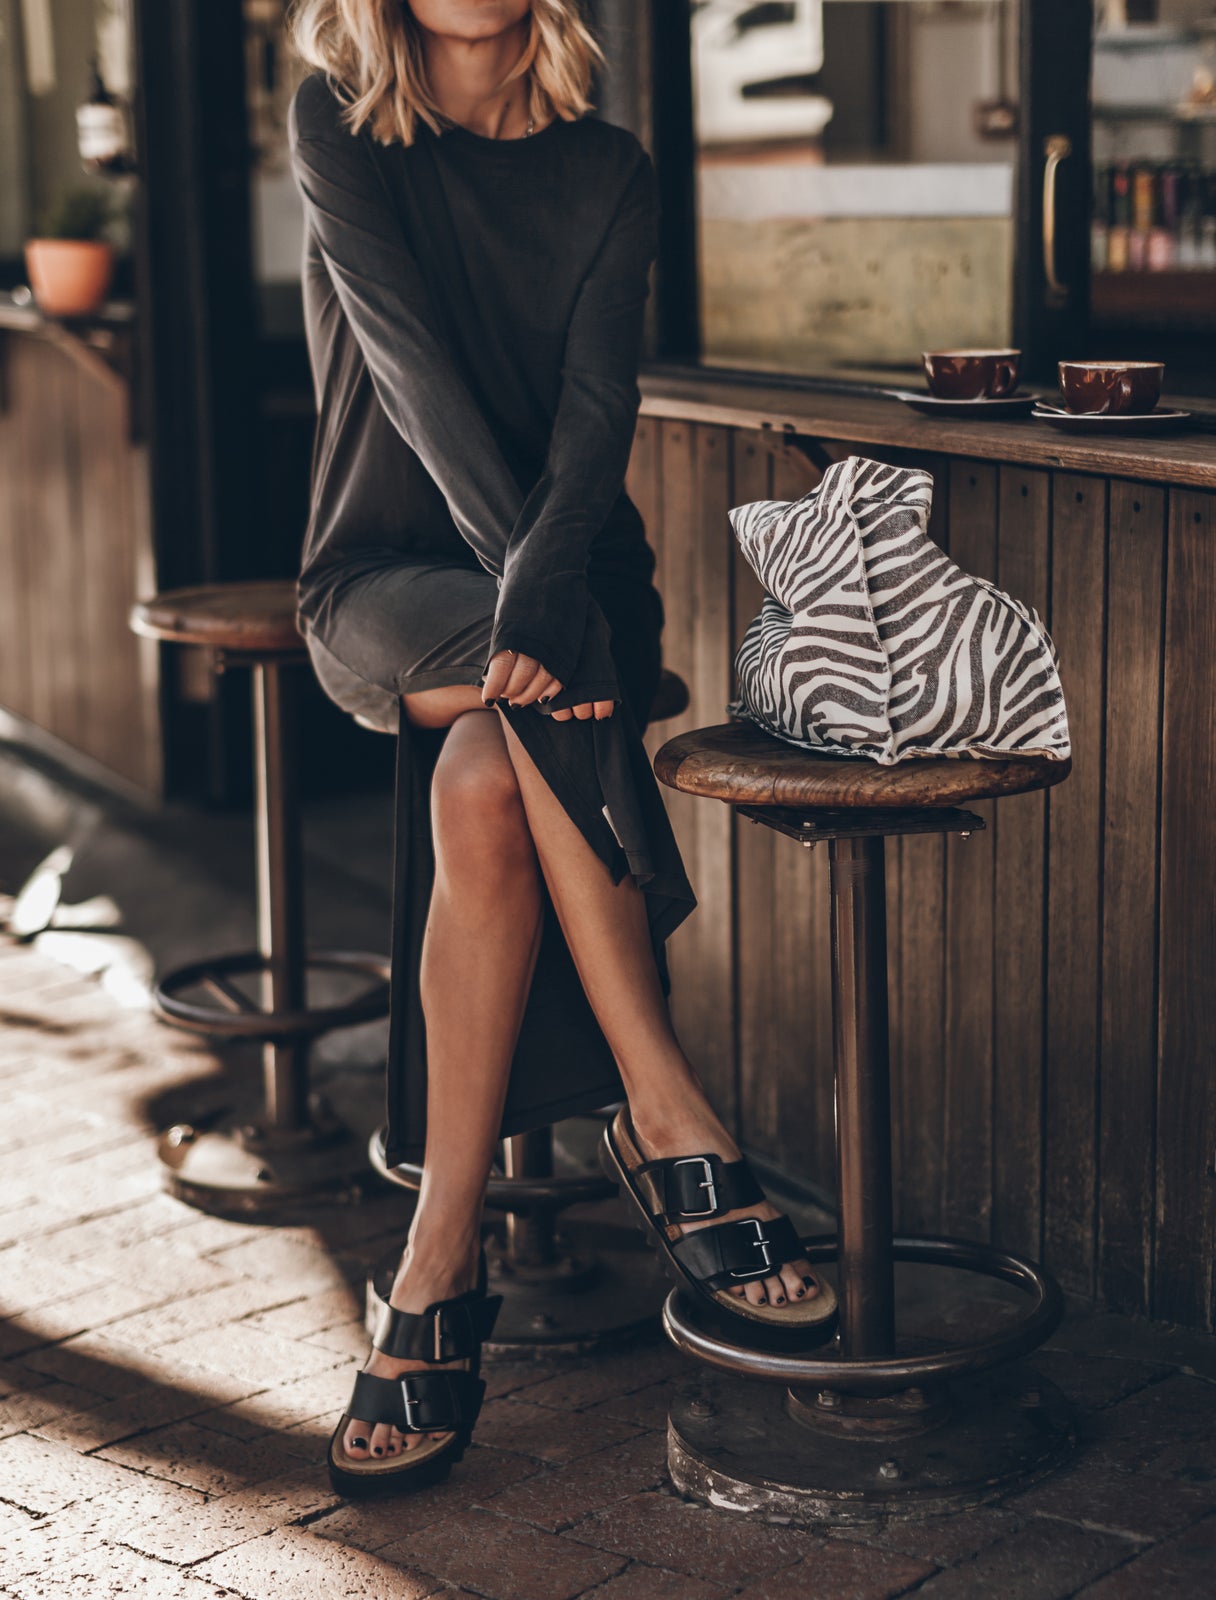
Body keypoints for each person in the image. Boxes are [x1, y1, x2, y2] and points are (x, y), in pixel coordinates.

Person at [287, 0, 835, 1496]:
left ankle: (437, 1259)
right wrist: (531, 595)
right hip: (386, 579)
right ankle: (664, 1108)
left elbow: (600, 410)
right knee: (547, 682)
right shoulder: (339, 116)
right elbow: (406, 369)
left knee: (487, 787)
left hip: (575, 572)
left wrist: (548, 584)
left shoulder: (611, 165)